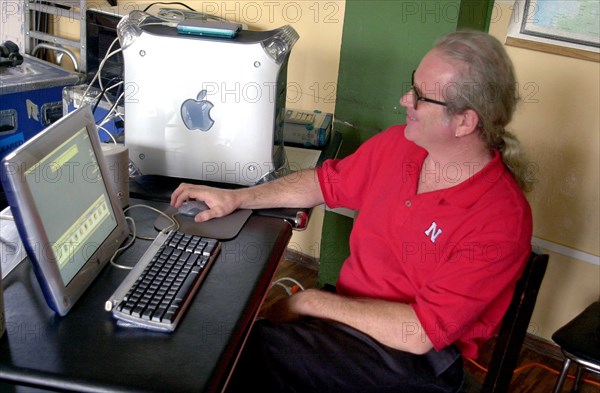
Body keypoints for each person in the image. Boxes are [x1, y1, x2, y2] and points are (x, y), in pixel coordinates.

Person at [170, 30, 533, 393]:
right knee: (229, 337)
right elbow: (322, 184)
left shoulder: (500, 219)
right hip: (351, 321)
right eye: (412, 86)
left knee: (238, 357)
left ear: (465, 122)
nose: (406, 99)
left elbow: (419, 333)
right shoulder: (399, 146)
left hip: (414, 359)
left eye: (421, 97)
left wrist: (310, 301)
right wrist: (238, 198)